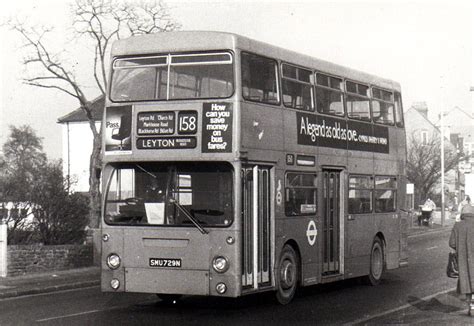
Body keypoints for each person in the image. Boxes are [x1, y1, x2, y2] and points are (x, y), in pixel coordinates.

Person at [449, 198, 474, 316]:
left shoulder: (457, 225)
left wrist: (460, 247)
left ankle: (471, 306)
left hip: (463, 259)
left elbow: (452, 243)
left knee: (467, 281)